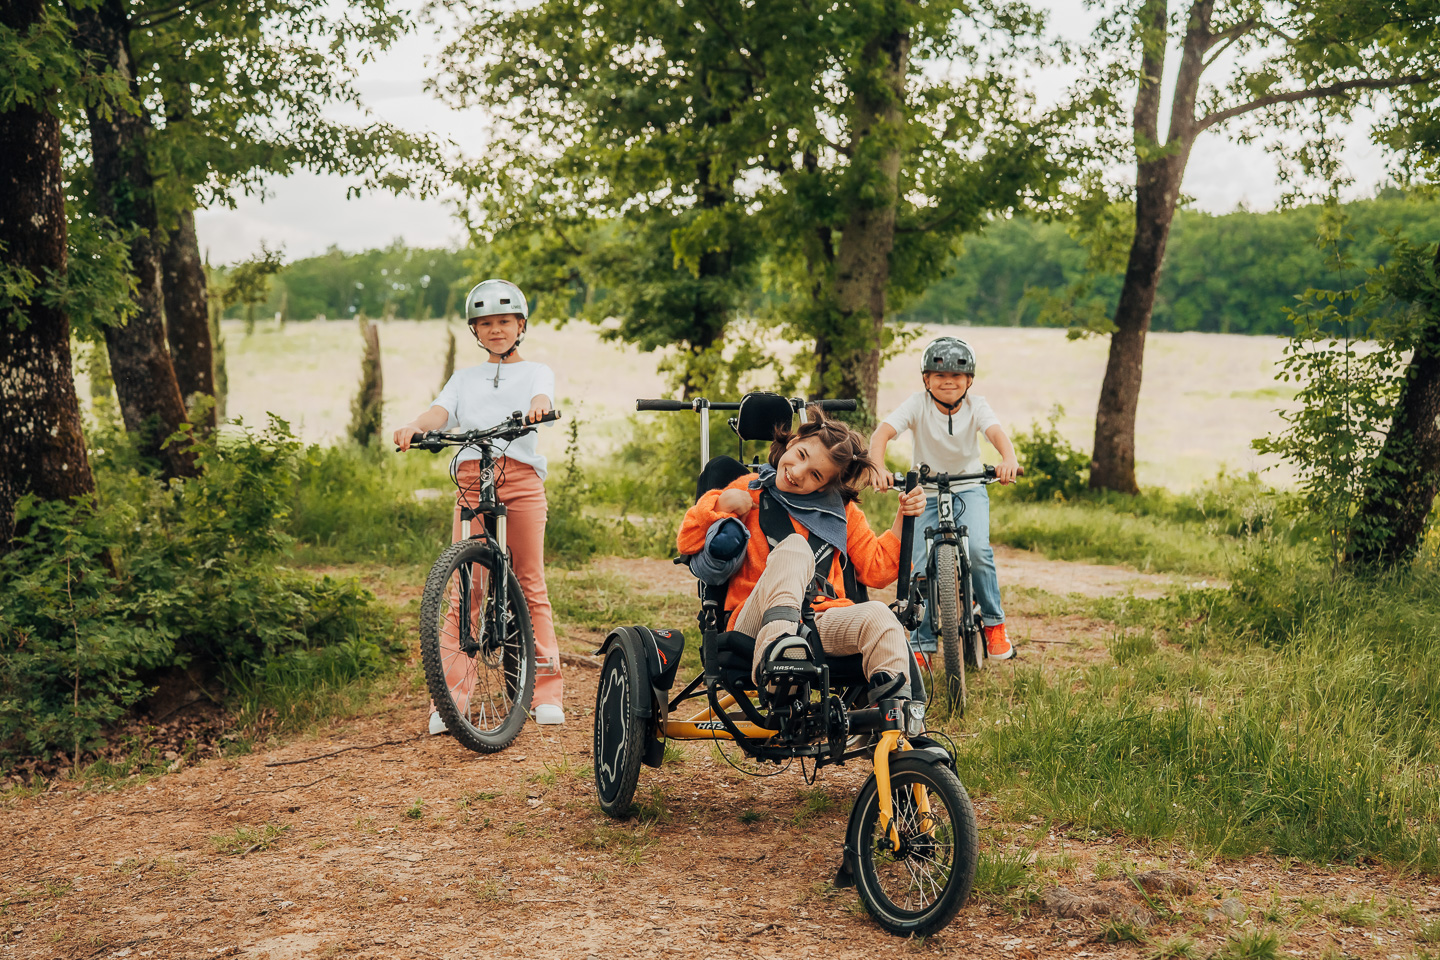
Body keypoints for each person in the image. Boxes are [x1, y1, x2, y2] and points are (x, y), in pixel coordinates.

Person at [392, 279, 565, 730]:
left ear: (520, 325)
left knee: (529, 581)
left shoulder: (536, 371)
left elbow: (541, 398)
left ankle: (546, 690)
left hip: (521, 477)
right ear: (475, 329)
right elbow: (439, 413)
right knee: (464, 588)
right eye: (485, 323)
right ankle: (451, 701)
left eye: (504, 322)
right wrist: (415, 425)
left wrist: (538, 409)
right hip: (471, 476)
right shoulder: (463, 378)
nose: (495, 330)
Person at [677, 410, 928, 701]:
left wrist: (903, 516)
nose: (797, 472)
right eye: (801, 455)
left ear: (825, 486)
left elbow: (878, 569)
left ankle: (900, 722)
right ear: (793, 440)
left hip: (818, 619)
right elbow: (688, 541)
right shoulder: (749, 490)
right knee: (796, 546)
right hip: (753, 621)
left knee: (881, 615)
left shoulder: (841, 514)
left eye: (815, 475)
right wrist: (719, 503)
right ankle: (778, 659)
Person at [869, 336, 1020, 663]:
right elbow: (883, 433)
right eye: (939, 376)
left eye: (956, 376)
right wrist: (877, 467)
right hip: (925, 492)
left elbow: (995, 433)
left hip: (969, 486)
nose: (948, 382)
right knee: (917, 564)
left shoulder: (976, 405)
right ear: (926, 379)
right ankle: (920, 639)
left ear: (969, 381)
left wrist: (1007, 459)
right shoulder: (916, 404)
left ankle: (994, 624)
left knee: (978, 550)